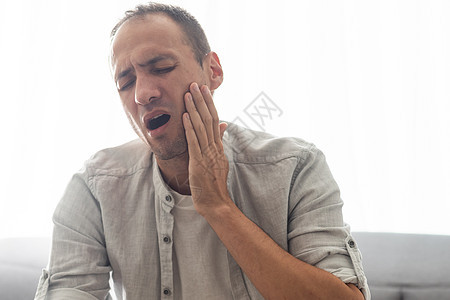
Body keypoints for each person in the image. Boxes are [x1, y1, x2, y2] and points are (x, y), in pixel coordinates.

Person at [35, 2, 370, 299]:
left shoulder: (295, 167)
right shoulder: (95, 186)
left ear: (213, 71)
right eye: (125, 81)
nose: (142, 94)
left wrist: (217, 205)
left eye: (161, 67)